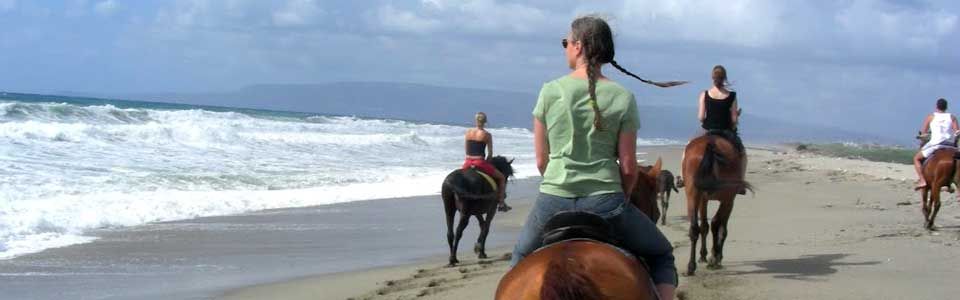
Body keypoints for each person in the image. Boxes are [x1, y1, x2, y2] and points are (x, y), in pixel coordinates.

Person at [510, 15, 684, 299]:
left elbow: (542, 161)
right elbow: (628, 167)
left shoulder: (550, 91)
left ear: (578, 46)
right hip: (606, 200)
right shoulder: (623, 97)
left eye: (566, 42)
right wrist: (621, 197)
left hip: (553, 199)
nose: (565, 47)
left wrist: (561, 183)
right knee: (662, 254)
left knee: (519, 258)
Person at [463, 112, 510, 212]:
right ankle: (501, 203)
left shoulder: (468, 132)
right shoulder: (487, 135)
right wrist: (488, 162)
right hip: (479, 162)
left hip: (467, 162)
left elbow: (466, 151)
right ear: (485, 122)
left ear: (475, 120)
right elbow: (490, 153)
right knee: (501, 177)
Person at [914, 98, 959, 189]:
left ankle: (922, 180)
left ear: (936, 106)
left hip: (936, 144)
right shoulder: (952, 117)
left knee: (916, 158)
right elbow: (957, 132)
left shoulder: (931, 117)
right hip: (950, 146)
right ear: (946, 107)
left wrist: (921, 138)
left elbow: (923, 134)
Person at [698, 65, 743, 155]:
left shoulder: (704, 94)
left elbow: (701, 118)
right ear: (725, 78)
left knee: (689, 147)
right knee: (740, 151)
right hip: (726, 131)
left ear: (712, 77)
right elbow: (734, 120)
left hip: (708, 129)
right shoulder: (732, 96)